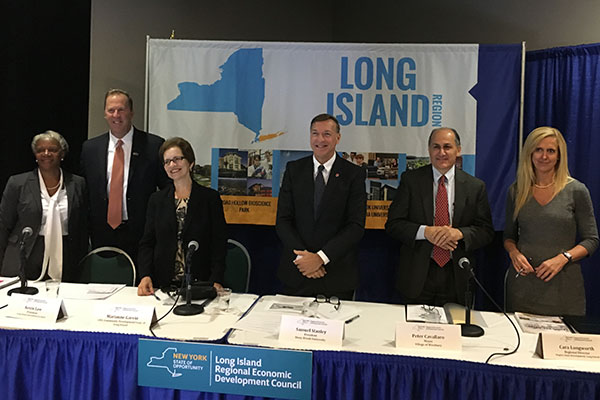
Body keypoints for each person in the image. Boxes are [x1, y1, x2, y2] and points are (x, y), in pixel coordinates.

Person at [385, 127, 494, 306]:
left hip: (456, 276)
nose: (441, 152)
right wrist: (425, 232)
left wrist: (459, 233)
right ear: (429, 150)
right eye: (436, 147)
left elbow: (486, 231)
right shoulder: (411, 181)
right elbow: (393, 225)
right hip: (418, 276)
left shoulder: (475, 187)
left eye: (447, 147)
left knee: (455, 324)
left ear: (458, 150)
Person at [504, 127, 598, 316]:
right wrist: (514, 253)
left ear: (559, 156)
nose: (544, 156)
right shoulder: (517, 190)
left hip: (563, 291)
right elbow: (509, 237)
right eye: (538, 150)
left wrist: (563, 258)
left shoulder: (576, 190)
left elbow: (592, 240)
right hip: (523, 289)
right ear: (530, 153)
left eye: (551, 151)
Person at [276, 113, 366, 300]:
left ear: (337, 138)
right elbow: (283, 221)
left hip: (336, 274)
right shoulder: (294, 170)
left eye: (327, 134)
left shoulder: (354, 174)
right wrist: (305, 260)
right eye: (315, 133)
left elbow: (355, 226)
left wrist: (320, 258)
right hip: (298, 272)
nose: (320, 139)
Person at [80, 89, 168, 261]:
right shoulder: (90, 148)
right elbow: (84, 192)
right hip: (101, 233)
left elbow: (166, 189)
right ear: (105, 114)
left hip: (141, 233)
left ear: (131, 112)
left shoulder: (153, 145)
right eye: (111, 110)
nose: (116, 115)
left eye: (121, 109)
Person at [137, 137, 227, 296]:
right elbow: (147, 243)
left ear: (190, 163)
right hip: (163, 285)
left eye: (177, 159)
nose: (172, 165)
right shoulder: (157, 200)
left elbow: (219, 243)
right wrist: (145, 275)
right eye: (167, 161)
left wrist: (216, 280)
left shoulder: (209, 199)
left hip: (201, 284)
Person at [0, 131, 88, 282]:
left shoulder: (78, 183)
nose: (46, 154)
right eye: (40, 150)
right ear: (35, 155)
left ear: (62, 154)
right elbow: (3, 224)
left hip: (64, 253)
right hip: (26, 254)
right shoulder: (18, 183)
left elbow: (83, 226)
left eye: (52, 149)